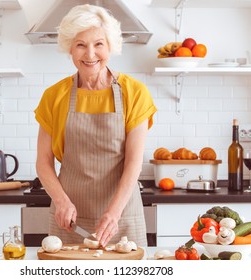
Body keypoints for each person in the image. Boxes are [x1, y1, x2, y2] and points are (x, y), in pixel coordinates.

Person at [35, 4, 157, 247]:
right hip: (69, 219)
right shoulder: (54, 96)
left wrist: (113, 213)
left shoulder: (134, 93)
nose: (90, 54)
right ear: (70, 47)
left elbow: (134, 162)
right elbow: (43, 162)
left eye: (98, 44)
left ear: (110, 46)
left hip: (121, 216)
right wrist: (60, 201)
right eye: (81, 44)